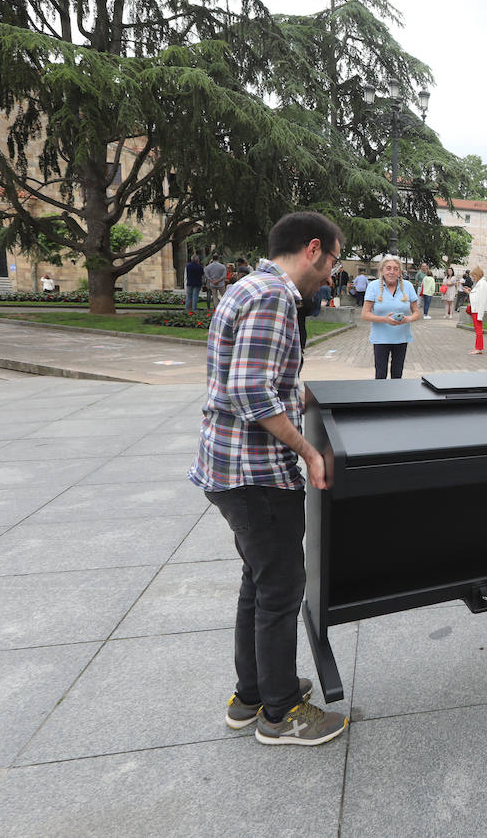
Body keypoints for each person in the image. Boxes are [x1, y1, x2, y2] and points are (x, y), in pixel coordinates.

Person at [189, 210, 348, 748]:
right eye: (333, 260)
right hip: (254, 473)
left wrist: (306, 394)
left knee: (258, 584)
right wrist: (309, 452)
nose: (332, 273)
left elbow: (257, 380)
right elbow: (251, 393)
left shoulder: (246, 288)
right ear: (312, 249)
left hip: (228, 467)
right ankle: (281, 714)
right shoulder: (274, 297)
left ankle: (252, 693)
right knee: (281, 589)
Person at [362, 255, 420, 379]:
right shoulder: (373, 286)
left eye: (395, 269)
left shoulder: (408, 286)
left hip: (401, 338)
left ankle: (396, 398)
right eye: (388, 268)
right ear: (382, 270)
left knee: (397, 374)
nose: (391, 272)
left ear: (400, 272)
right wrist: (385, 319)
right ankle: (381, 398)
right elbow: (365, 314)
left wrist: (407, 319)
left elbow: (416, 313)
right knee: (381, 374)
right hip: (380, 338)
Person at [467, 265, 487, 354]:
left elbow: (482, 299)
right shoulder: (481, 283)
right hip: (476, 309)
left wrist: (480, 314)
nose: (473, 278)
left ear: (477, 275)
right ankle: (478, 347)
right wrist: (470, 292)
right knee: (478, 329)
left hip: (477, 310)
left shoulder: (482, 284)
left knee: (478, 330)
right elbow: (477, 295)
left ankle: (478, 348)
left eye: (474, 276)